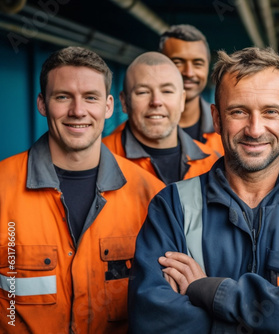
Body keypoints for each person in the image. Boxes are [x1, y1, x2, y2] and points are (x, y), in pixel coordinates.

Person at [128, 47, 279, 333]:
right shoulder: (172, 207)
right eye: (238, 111)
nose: (254, 129)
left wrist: (211, 292)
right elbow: (153, 323)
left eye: (270, 112)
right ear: (216, 117)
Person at [0, 46, 165, 333]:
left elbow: (167, 305)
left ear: (109, 106)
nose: (78, 111)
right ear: (42, 103)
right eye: (63, 97)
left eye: (90, 97)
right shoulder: (2, 188)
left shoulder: (151, 195)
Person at [103, 52, 219, 185]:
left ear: (182, 100)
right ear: (124, 102)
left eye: (167, 91)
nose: (156, 101)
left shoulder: (214, 164)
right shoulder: (100, 160)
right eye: (143, 92)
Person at [159, 24, 224, 154]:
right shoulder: (123, 139)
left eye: (198, 63)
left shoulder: (227, 129)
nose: (189, 73)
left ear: (207, 67)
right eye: (178, 62)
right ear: (160, 65)